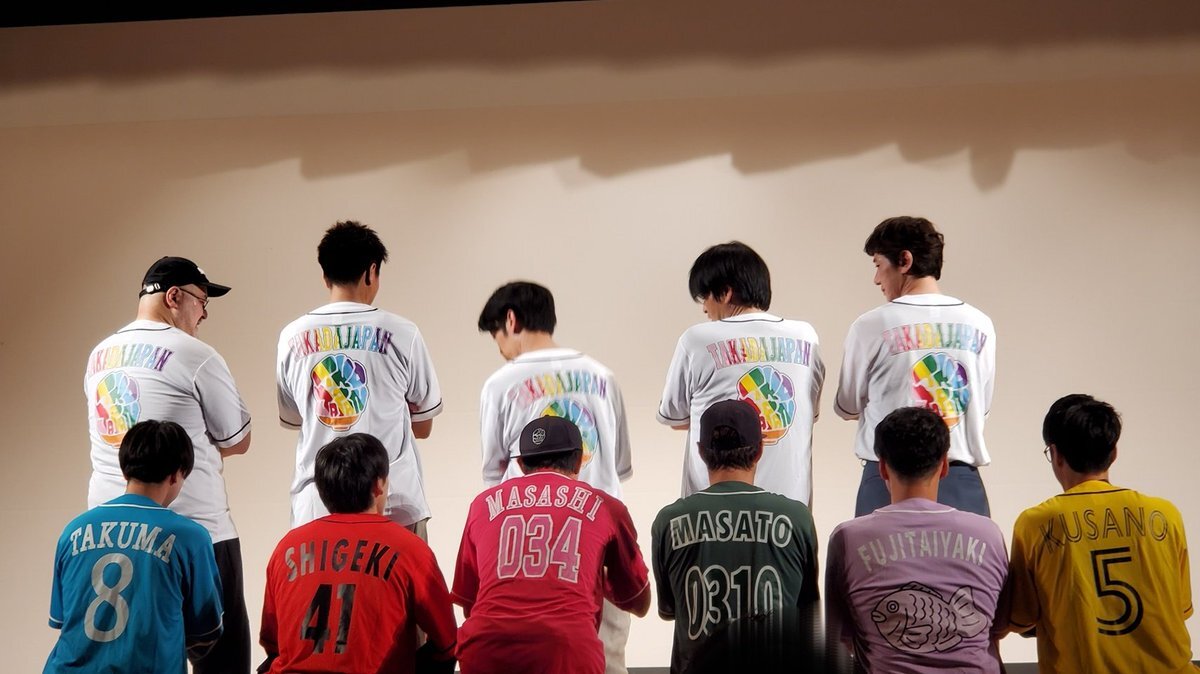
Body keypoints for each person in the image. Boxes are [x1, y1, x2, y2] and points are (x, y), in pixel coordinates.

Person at [84, 255, 252, 673]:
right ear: (173, 296)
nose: (204, 313)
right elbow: (238, 440)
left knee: (137, 656)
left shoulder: (99, 355)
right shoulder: (195, 355)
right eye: (201, 301)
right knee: (223, 658)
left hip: (109, 532)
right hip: (195, 528)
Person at [476, 281, 634, 674]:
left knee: (535, 656)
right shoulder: (604, 376)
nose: (500, 348)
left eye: (496, 335)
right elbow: (619, 468)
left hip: (531, 548)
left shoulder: (500, 384)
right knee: (607, 659)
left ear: (510, 320)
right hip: (600, 539)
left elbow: (496, 478)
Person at [1007, 394, 1198, 673]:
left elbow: (1022, 618)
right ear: (1114, 452)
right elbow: (1180, 609)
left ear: (1055, 454)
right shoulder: (1166, 515)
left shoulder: (1035, 523)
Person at [277, 220, 443, 535]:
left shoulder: (291, 337)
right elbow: (423, 425)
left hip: (317, 505)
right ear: (371, 271)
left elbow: (296, 418)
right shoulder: (403, 333)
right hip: (392, 503)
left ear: (324, 275)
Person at [452, 417, 651, 674]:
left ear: (521, 464)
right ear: (579, 460)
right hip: (567, 651)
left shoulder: (481, 505)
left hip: (486, 648)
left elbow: (470, 604)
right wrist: (596, 578)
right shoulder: (607, 507)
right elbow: (638, 603)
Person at [825, 407, 1008, 673]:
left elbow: (840, 637)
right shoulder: (988, 534)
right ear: (944, 466)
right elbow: (995, 628)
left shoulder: (847, 538)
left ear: (882, 468)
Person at [835, 216, 996, 517]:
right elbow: (980, 406)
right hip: (959, 476)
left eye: (878, 265)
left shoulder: (870, 324)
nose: (876, 279)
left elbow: (847, 405)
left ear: (904, 261)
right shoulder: (980, 323)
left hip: (887, 479)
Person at [259, 433, 457, 674]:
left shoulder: (287, 548)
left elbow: (273, 643)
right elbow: (447, 643)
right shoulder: (410, 548)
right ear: (378, 484)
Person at [651, 400, 821, 674]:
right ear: (760, 449)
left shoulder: (669, 521)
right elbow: (806, 612)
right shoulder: (796, 518)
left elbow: (670, 609)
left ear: (701, 451)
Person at [46, 420, 224, 674]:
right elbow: (206, 631)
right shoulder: (190, 537)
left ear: (125, 470)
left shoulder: (73, 531)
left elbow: (62, 620)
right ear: (176, 474)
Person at [656, 241, 824, 505]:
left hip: (713, 508)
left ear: (725, 293)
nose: (704, 308)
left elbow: (675, 417)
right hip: (790, 509)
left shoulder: (697, 339)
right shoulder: (806, 336)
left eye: (705, 297)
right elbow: (807, 414)